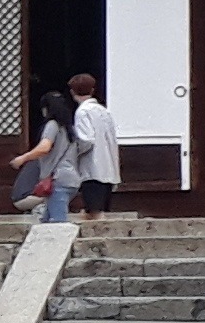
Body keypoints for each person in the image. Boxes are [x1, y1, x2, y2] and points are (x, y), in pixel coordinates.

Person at [12, 88, 75, 223]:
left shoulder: (52, 125)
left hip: (57, 180)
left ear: (46, 109)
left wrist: (23, 158)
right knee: (45, 220)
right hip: (72, 178)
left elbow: (44, 147)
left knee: (58, 222)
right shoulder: (70, 129)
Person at [66, 69, 122, 215]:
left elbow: (86, 140)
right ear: (92, 90)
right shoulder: (104, 111)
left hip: (92, 169)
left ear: (72, 92)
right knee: (104, 210)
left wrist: (72, 153)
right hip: (108, 168)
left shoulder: (82, 112)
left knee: (94, 211)